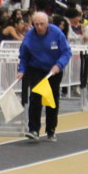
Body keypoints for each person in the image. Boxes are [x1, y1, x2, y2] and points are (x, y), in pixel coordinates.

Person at [16, 11, 70, 142]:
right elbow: (23, 56)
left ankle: (51, 129)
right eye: (36, 24)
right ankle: (33, 129)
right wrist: (21, 70)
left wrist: (59, 65)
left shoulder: (57, 33)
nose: (39, 27)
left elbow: (66, 52)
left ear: (47, 23)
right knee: (35, 96)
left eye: (42, 24)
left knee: (51, 99)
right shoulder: (29, 36)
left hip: (53, 69)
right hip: (36, 68)